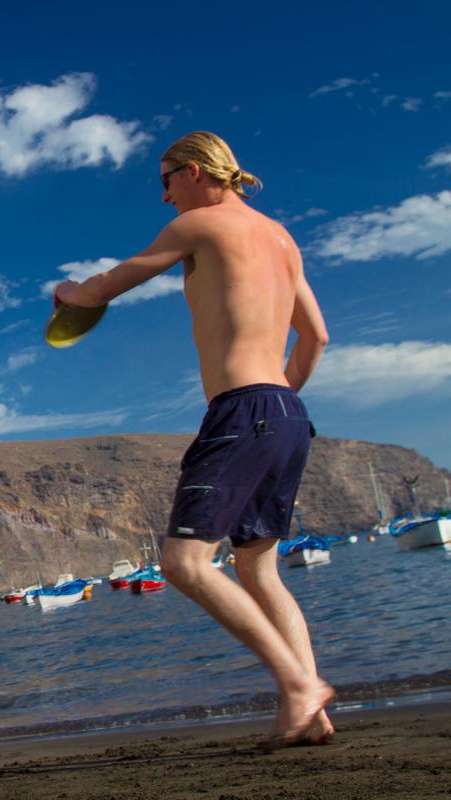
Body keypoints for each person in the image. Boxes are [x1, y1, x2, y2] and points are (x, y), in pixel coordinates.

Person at [54, 131, 334, 750]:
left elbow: (101, 289)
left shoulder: (199, 227)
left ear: (198, 171)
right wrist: (278, 400)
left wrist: (66, 295)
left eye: (166, 179)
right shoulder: (283, 241)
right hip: (287, 411)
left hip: (242, 410)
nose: (163, 196)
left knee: (184, 563)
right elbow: (316, 338)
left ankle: (298, 687)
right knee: (260, 569)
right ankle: (312, 714)